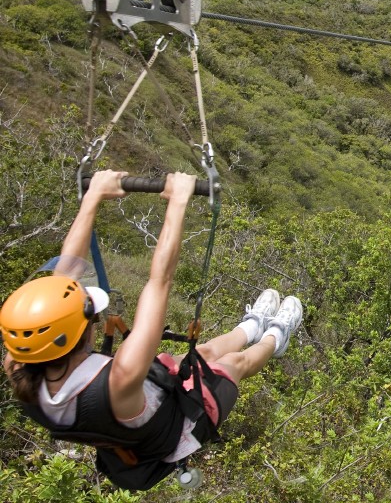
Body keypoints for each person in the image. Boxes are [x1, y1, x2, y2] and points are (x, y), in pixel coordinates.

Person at [0, 170, 303, 490]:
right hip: (177, 425)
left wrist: (92, 199)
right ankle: (276, 336)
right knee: (231, 365)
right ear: (81, 331)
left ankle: (251, 325)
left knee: (202, 354)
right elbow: (159, 282)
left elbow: (66, 269)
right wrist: (178, 201)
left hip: (131, 417)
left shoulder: (20, 367)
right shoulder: (122, 376)